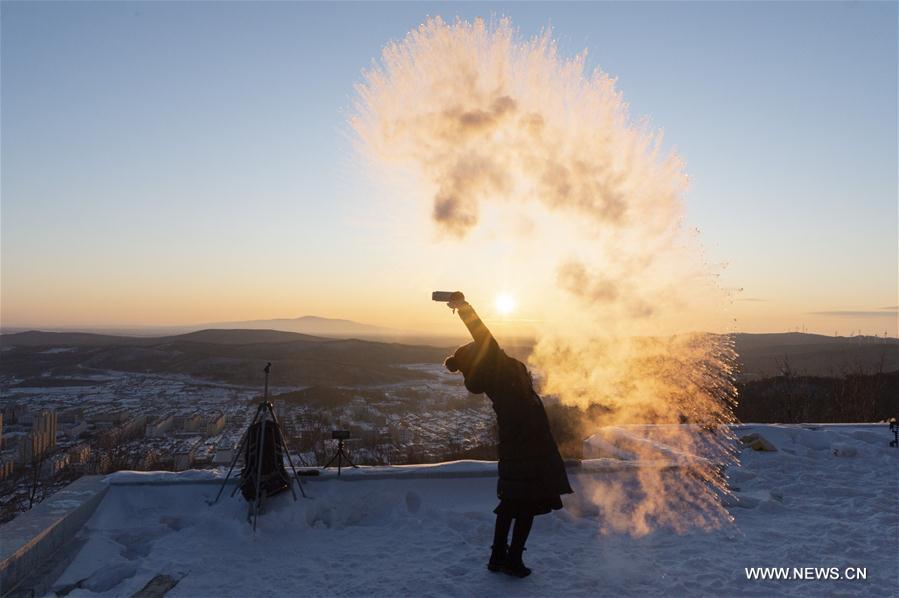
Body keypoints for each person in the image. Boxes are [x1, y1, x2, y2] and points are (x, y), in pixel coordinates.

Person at [442, 293, 573, 578]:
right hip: (531, 445)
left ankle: (498, 557)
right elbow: (483, 333)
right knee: (525, 505)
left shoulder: (494, 376)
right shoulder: (498, 369)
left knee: (513, 502)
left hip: (516, 445)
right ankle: (511, 559)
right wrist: (465, 308)